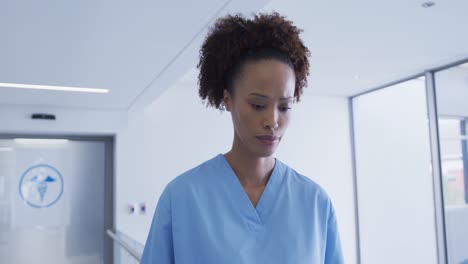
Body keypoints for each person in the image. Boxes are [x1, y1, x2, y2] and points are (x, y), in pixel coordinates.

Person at [141, 12, 344, 264]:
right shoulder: (182, 198)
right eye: (258, 105)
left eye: (284, 107)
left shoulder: (315, 204)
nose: (273, 121)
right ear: (228, 100)